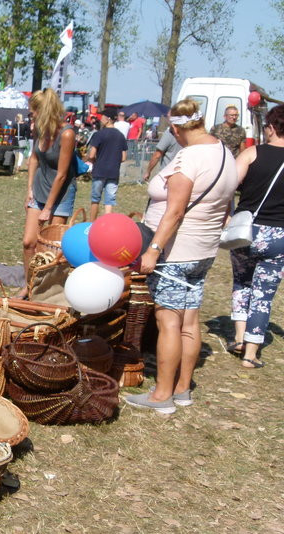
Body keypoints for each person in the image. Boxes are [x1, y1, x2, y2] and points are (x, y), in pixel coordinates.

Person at [127, 98, 238, 413]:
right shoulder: (225, 153)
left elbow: (174, 211)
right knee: (189, 320)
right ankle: (183, 388)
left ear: (176, 127)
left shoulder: (189, 158)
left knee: (168, 321)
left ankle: (162, 396)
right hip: (204, 251)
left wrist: (153, 248)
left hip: (176, 252)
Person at [228, 104, 284, 368]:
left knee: (242, 282)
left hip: (246, 230)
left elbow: (228, 186)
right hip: (279, 235)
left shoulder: (251, 153)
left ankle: (238, 337)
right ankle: (251, 354)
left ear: (271, 127)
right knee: (264, 295)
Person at [23, 88, 77, 269]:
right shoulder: (39, 129)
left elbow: (61, 175)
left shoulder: (67, 134)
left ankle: (44, 289)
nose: (31, 117)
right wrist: (29, 188)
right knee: (29, 243)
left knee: (50, 247)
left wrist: (48, 208)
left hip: (60, 195)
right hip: (39, 189)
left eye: (33, 113)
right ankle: (28, 285)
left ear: (43, 111)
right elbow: (34, 158)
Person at [86, 107, 127, 221]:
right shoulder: (120, 136)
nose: (101, 119)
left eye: (102, 117)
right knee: (110, 200)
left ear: (108, 119)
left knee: (95, 198)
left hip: (99, 170)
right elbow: (123, 157)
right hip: (113, 172)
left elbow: (92, 155)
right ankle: (106, 224)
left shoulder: (99, 134)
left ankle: (92, 223)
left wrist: (93, 160)